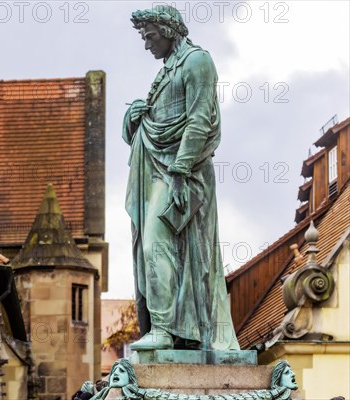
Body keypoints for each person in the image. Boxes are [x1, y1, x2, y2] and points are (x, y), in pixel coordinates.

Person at [123, 5, 239, 350]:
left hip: (184, 174)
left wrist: (180, 171)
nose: (147, 45)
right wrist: (133, 117)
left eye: (150, 37)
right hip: (159, 169)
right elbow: (150, 131)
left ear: (168, 29)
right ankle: (174, 331)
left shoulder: (196, 62)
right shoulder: (166, 71)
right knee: (154, 245)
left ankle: (163, 329)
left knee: (156, 242)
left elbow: (200, 119)